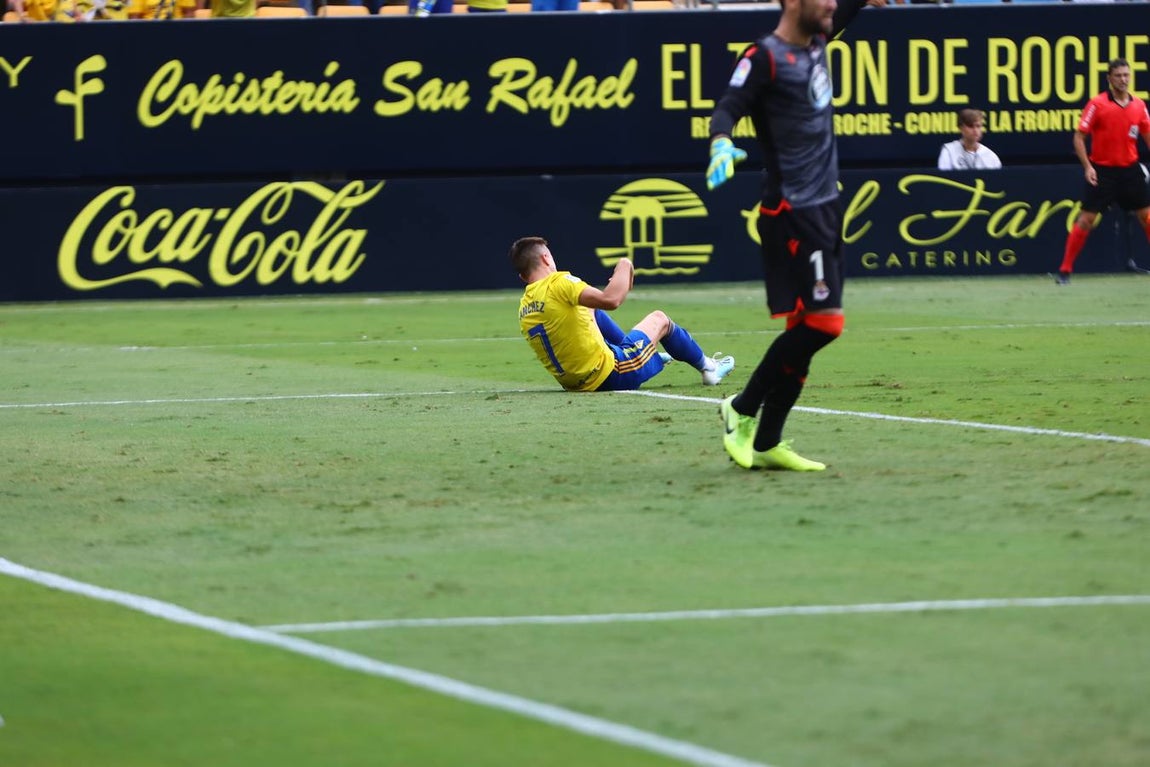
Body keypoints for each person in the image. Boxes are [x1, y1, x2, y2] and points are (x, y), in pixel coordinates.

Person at [704, 0, 878, 471]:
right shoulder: (764, 57)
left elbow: (845, 10)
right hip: (792, 211)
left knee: (804, 327)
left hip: (824, 206)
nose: (832, 5)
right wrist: (722, 143)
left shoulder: (819, 37)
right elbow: (728, 107)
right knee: (825, 323)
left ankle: (767, 442)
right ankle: (739, 408)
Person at [511, 236, 735, 392]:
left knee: (589, 308)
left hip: (574, 383)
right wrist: (625, 265)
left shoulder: (525, 306)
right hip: (613, 375)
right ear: (546, 259)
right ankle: (709, 368)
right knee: (660, 319)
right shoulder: (559, 282)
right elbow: (612, 299)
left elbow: (594, 308)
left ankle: (639, 350)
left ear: (523, 277)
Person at [1057, 57, 1150, 285]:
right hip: (1103, 172)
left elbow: (1147, 135)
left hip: (1130, 170)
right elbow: (1079, 137)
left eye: (1126, 75)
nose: (1123, 79)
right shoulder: (1097, 104)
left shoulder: (1139, 105)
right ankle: (1065, 270)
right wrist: (1088, 167)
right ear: (1109, 78)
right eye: (1118, 76)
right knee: (1086, 219)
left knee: (1147, 217)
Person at [937, 109, 1003, 171]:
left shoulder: (991, 156)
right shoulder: (949, 151)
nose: (975, 130)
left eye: (978, 126)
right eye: (970, 126)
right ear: (961, 128)